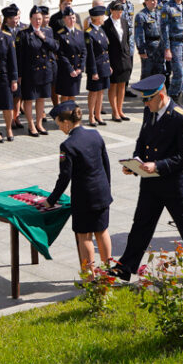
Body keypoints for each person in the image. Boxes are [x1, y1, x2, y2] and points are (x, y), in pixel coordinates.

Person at [110, 75, 183, 282]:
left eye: (148, 100)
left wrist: (158, 165)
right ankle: (125, 267)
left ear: (160, 96)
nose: (145, 104)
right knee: (140, 226)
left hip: (174, 184)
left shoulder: (182, 118)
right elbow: (143, 139)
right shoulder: (150, 111)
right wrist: (135, 163)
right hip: (151, 182)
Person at [45, 101, 113, 273]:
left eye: (58, 123)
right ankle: (107, 272)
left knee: (85, 236)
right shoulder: (95, 134)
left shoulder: (67, 146)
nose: (59, 127)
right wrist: (106, 188)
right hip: (102, 192)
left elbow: (64, 177)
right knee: (102, 231)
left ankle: (89, 277)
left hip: (85, 198)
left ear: (66, 122)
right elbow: (106, 165)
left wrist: (51, 200)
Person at [16, 6, 58, 137]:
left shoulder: (47, 31)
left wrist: (44, 37)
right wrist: (19, 75)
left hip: (45, 71)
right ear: (30, 19)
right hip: (30, 72)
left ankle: (39, 123)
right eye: (35, 19)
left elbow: (56, 47)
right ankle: (31, 125)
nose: (38, 21)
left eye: (40, 19)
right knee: (29, 99)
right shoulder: (23, 34)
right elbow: (19, 56)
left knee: (41, 99)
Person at [104, 1, 133, 123]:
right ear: (111, 11)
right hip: (113, 58)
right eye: (117, 12)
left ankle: (120, 110)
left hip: (124, 58)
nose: (119, 14)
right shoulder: (106, 25)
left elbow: (126, 40)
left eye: (121, 12)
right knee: (113, 85)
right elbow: (105, 45)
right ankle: (114, 111)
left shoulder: (124, 22)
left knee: (122, 85)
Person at [83, 5, 112, 126]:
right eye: (102, 16)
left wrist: (109, 65)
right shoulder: (89, 33)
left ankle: (98, 114)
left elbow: (105, 50)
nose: (104, 18)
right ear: (97, 18)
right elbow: (90, 55)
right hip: (95, 67)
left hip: (104, 66)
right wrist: (93, 71)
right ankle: (91, 116)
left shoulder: (101, 30)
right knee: (94, 92)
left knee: (101, 92)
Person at [52, 8, 86, 107]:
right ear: (64, 19)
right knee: (65, 95)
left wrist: (80, 67)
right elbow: (61, 54)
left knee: (73, 94)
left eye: (73, 18)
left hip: (77, 68)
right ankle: (64, 116)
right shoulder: (61, 34)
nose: (72, 20)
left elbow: (84, 51)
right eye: (69, 18)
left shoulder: (80, 33)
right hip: (66, 70)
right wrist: (70, 70)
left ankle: (71, 115)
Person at [134, 0, 167, 82]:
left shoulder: (159, 13)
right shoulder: (141, 16)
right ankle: (145, 94)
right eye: (152, 0)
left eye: (156, 0)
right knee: (147, 72)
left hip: (160, 46)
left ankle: (157, 93)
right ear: (146, 1)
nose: (154, 2)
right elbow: (139, 34)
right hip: (149, 47)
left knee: (160, 71)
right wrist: (141, 50)